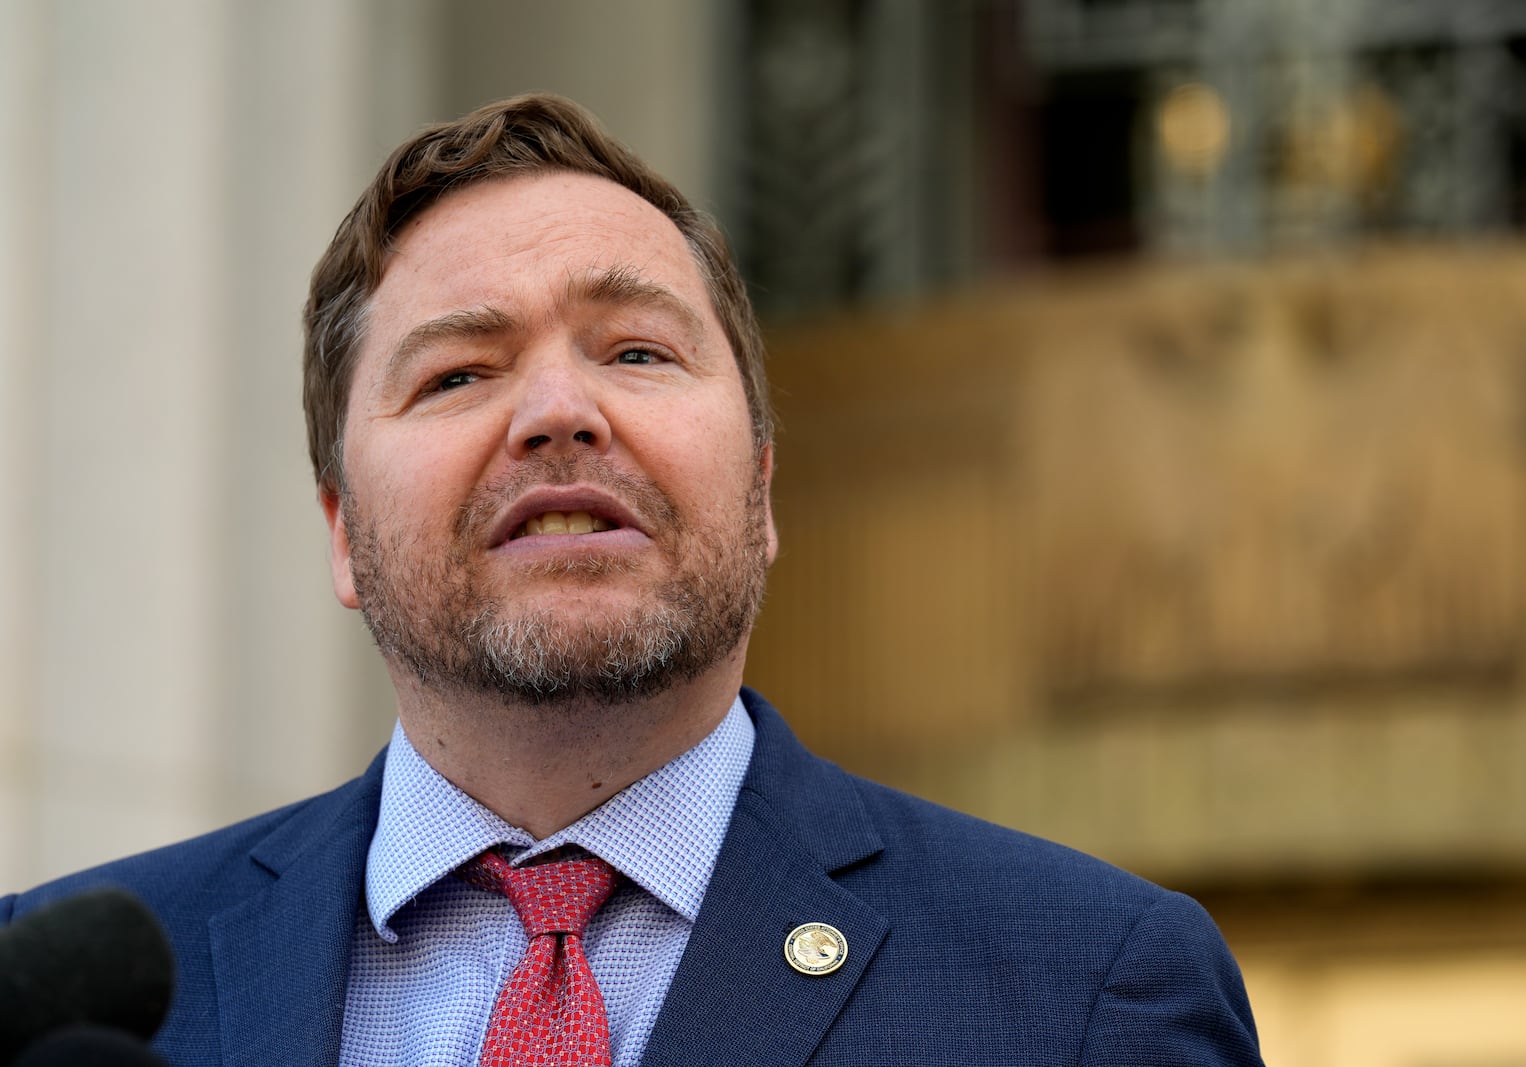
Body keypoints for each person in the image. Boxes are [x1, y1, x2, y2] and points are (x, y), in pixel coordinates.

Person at [1, 93, 1265, 1067]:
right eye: (456, 373)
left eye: (638, 350)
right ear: (340, 529)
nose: (559, 412)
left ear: (761, 491)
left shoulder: (1085, 986)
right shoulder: (55, 1000)